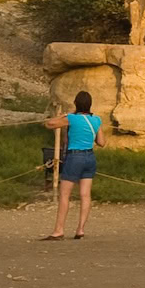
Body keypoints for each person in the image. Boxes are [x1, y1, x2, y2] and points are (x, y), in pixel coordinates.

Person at [41, 90, 100, 240]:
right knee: (85, 194)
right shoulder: (97, 120)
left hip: (75, 157)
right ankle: (80, 229)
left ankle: (59, 230)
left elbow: (49, 124)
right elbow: (102, 142)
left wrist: (63, 116)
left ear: (76, 103)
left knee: (65, 195)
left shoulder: (72, 118)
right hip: (90, 157)